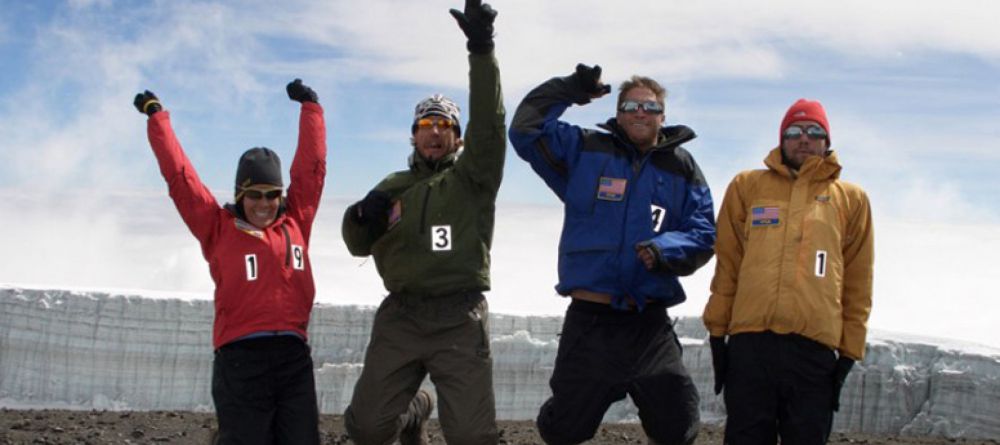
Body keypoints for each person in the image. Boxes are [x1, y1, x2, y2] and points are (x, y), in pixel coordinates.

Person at [509, 64, 716, 445]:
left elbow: (704, 232)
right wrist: (568, 89)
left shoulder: (682, 166)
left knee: (678, 422)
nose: (641, 112)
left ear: (663, 117)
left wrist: (665, 249)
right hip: (591, 321)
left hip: (648, 323)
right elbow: (525, 130)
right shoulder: (585, 150)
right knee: (565, 428)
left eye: (650, 107)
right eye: (632, 106)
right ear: (618, 114)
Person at [339, 1, 504, 444]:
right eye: (426, 124)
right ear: (413, 134)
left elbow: (490, 125)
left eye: (444, 124)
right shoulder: (392, 185)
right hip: (403, 316)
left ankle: (427, 409)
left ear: (457, 136)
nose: (434, 131)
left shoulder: (473, 178)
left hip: (458, 317)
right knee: (369, 429)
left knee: (472, 437)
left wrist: (481, 49)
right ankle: (413, 410)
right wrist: (357, 218)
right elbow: (358, 244)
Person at [133, 79, 326, 444]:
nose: (264, 203)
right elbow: (180, 178)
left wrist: (311, 109)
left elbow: (311, 169)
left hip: (292, 358)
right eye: (254, 195)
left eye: (272, 194)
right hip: (240, 360)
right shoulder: (217, 227)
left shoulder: (296, 221)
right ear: (240, 195)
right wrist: (157, 119)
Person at [703, 98, 874, 445]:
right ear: (782, 139)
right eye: (794, 132)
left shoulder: (851, 199)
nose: (804, 139)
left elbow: (859, 280)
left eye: (814, 131)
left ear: (827, 141)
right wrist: (718, 333)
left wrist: (850, 351)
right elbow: (728, 263)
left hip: (813, 353)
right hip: (751, 346)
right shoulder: (747, 186)